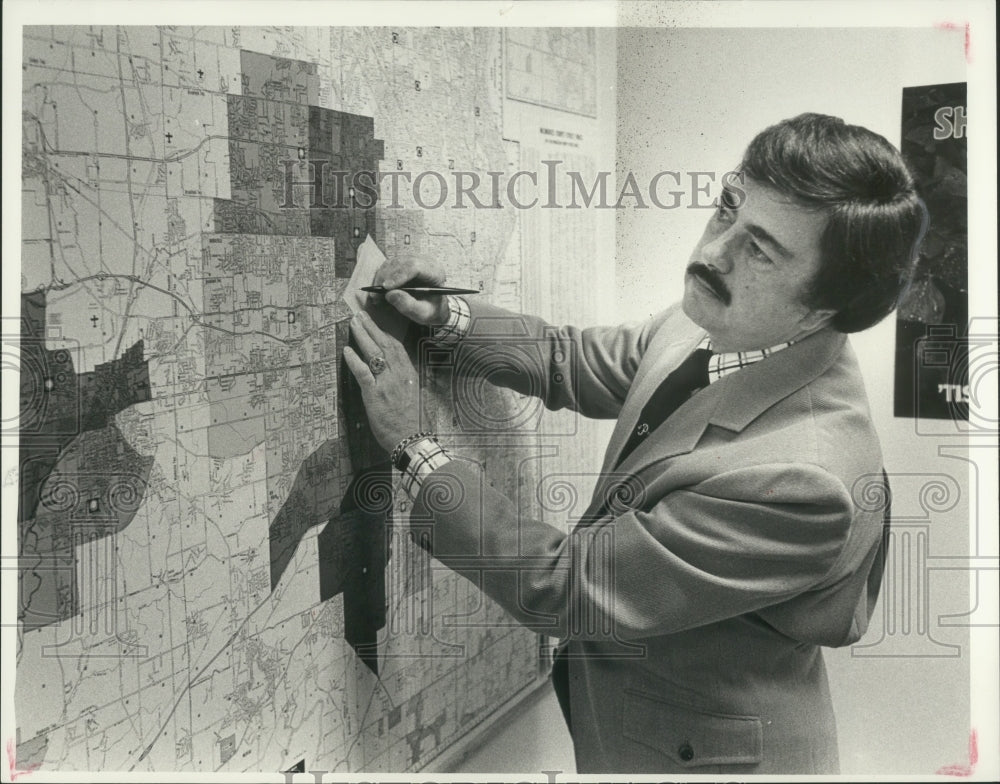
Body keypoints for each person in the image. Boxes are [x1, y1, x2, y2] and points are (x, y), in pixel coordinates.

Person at [342, 113, 927, 774]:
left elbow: (565, 587)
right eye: (726, 208)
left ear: (825, 307)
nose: (713, 253)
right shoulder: (724, 318)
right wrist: (446, 313)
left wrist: (416, 448)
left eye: (761, 250)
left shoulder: (802, 482)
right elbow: (574, 361)